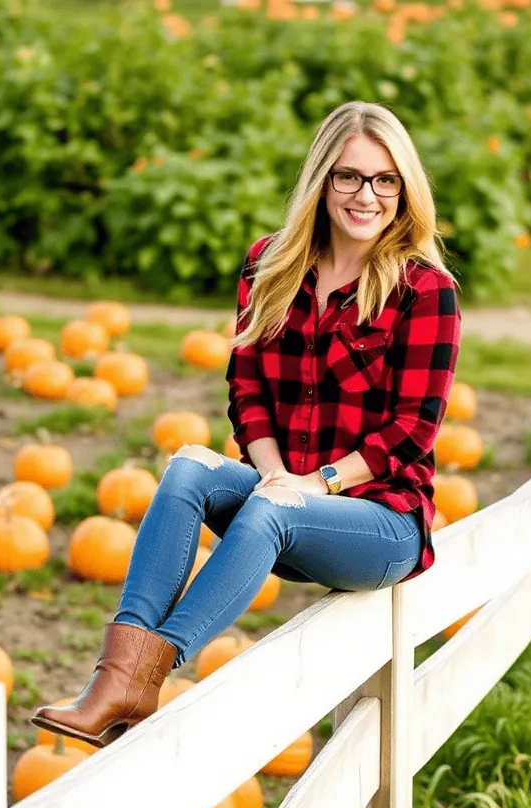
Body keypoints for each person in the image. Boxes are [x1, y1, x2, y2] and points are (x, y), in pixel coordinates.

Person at [32, 99, 462, 749]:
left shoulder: (425, 290)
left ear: (404, 189)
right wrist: (273, 473)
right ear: (322, 179)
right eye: (349, 176)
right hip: (284, 493)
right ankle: (115, 679)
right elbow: (247, 385)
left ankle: (154, 672)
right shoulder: (271, 263)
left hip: (381, 522)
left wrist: (308, 485)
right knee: (187, 468)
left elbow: (412, 431)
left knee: (272, 512)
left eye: (384, 179)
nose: (365, 195)